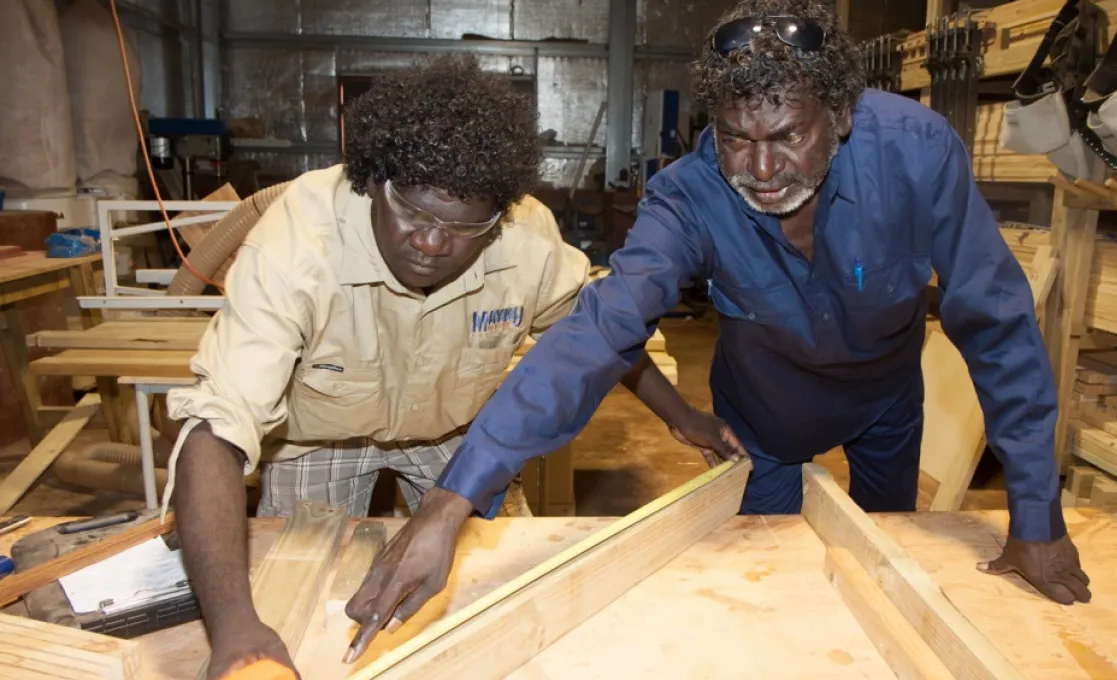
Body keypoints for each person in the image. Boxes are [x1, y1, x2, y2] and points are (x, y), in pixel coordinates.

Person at [342, 0, 1093, 656]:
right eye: (736, 138)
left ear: (839, 118)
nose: (761, 168)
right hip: (760, 420)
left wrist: (1035, 509)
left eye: (788, 136)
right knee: (761, 594)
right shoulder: (688, 198)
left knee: (880, 570)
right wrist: (451, 502)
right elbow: (596, 336)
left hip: (884, 408)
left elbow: (996, 323)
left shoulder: (917, 154)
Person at [162, 56, 733, 679]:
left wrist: (680, 417)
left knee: (504, 604)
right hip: (315, 440)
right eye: (415, 215)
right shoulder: (297, 239)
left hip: (455, 438)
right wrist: (234, 627)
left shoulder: (525, 238)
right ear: (375, 182)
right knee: (292, 601)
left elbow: (595, 336)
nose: (433, 244)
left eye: (464, 228)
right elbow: (215, 429)